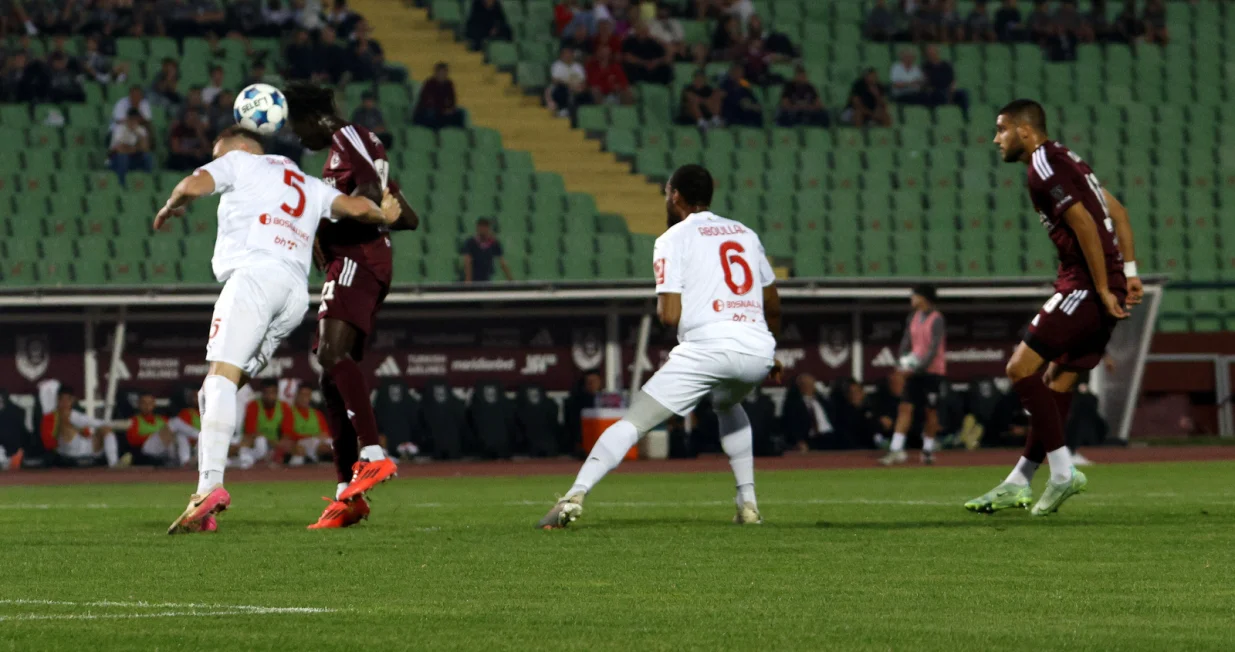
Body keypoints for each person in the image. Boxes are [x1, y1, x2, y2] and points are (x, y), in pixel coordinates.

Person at [157, 126, 401, 535]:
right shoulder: (305, 181)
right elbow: (356, 209)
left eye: (219, 155)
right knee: (219, 388)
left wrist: (173, 202)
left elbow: (193, 184)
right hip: (292, 296)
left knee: (217, 381)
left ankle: (209, 488)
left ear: (238, 149)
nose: (218, 161)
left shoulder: (240, 161)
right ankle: (208, 499)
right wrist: (384, 215)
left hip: (253, 278)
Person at [537, 164, 783, 529]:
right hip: (758, 348)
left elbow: (669, 315)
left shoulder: (672, 239)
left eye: (667, 193)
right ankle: (747, 503)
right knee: (728, 403)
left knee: (634, 421)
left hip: (708, 347)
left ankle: (574, 496)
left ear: (675, 196)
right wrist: (770, 350)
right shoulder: (745, 233)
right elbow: (773, 304)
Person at [966, 99, 1144, 517]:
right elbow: (1117, 212)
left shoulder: (1043, 167)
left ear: (1024, 132)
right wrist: (1129, 273)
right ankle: (1019, 480)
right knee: (1056, 382)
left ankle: (1063, 472)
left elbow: (1084, 222)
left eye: (1001, 130)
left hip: (1083, 284)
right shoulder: (1070, 159)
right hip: (1100, 280)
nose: (996, 140)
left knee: (1018, 369)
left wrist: (1102, 288)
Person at [283, 82, 420, 530]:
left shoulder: (347, 138)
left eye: (295, 126)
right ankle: (347, 494)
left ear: (312, 118)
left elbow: (364, 191)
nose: (297, 137)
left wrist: (324, 218)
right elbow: (406, 214)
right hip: (361, 262)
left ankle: (374, 454)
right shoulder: (355, 145)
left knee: (330, 355)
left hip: (357, 261)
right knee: (331, 375)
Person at [880, 285, 947, 466]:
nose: (912, 299)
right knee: (905, 408)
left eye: (915, 296)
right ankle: (896, 449)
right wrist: (901, 362)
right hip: (914, 371)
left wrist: (918, 367)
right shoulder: (913, 317)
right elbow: (906, 341)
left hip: (932, 373)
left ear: (923, 298)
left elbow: (933, 349)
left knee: (930, 412)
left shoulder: (937, 319)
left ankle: (927, 450)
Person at [40, 386, 124, 468]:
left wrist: (81, 430)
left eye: (68, 399)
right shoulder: (50, 417)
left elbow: (91, 427)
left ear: (72, 400)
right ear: (57, 400)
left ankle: (114, 464)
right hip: (66, 450)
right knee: (65, 422)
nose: (65, 403)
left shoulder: (76, 414)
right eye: (62, 399)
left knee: (106, 429)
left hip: (86, 447)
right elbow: (47, 441)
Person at [127, 391, 192, 467]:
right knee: (175, 422)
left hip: (165, 449)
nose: (147, 406)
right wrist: (155, 435)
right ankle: (201, 435)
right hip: (148, 448)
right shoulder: (135, 420)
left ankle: (185, 462)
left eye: (150, 403)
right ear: (139, 404)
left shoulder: (162, 419)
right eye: (144, 403)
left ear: (154, 404)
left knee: (180, 435)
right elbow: (132, 440)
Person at [281, 385, 333, 467]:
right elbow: (287, 436)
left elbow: (325, 433)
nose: (304, 398)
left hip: (318, 440)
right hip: (301, 442)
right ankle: (325, 459)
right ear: (297, 396)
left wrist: (321, 436)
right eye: (302, 394)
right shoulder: (290, 412)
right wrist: (311, 436)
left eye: (307, 395)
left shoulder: (317, 413)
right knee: (320, 445)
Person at [922, 44, 970, 119]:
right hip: (936, 92)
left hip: (949, 90)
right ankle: (946, 117)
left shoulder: (946, 65)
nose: (932, 55)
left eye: (933, 52)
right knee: (940, 94)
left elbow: (953, 80)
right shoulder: (926, 66)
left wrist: (952, 89)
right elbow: (926, 82)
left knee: (963, 94)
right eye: (930, 53)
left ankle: (965, 116)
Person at [413, 62, 465, 129]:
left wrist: (450, 109)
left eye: (444, 73)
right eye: (440, 73)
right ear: (436, 73)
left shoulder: (449, 84)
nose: (442, 75)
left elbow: (452, 100)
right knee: (431, 114)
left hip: (443, 112)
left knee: (460, 114)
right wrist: (443, 110)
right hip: (430, 111)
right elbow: (427, 103)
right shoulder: (429, 84)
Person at [108, 108, 153, 186]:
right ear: (128, 118)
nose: (133, 121)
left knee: (147, 157)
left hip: (133, 158)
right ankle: (121, 183)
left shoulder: (141, 130)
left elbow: (145, 148)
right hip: (116, 159)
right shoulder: (120, 129)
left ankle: (148, 182)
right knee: (123, 157)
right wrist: (135, 148)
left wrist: (136, 133)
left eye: (135, 119)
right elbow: (119, 149)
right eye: (131, 119)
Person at [460, 217, 513, 283]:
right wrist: (468, 282)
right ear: (477, 228)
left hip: (485, 279)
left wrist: (511, 281)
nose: (483, 229)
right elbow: (467, 261)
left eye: (485, 227)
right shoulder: (470, 242)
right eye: (481, 227)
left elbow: (502, 262)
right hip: (473, 279)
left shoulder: (494, 243)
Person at [622, 20, 672, 85]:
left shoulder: (653, 42)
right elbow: (627, 57)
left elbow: (667, 57)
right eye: (641, 30)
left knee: (666, 69)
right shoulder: (629, 41)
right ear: (637, 30)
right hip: (639, 67)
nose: (644, 32)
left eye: (645, 30)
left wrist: (656, 62)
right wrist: (644, 63)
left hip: (653, 67)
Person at [547, 47, 590, 116]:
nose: (568, 56)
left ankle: (584, 113)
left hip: (577, 88)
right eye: (566, 54)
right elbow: (555, 80)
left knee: (587, 94)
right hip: (563, 88)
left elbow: (583, 81)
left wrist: (580, 87)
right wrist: (569, 85)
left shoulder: (578, 66)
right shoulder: (557, 65)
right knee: (561, 90)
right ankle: (563, 109)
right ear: (561, 55)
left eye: (570, 54)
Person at [720, 63, 762, 127]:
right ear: (731, 72)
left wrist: (751, 105)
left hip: (747, 112)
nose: (737, 74)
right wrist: (740, 101)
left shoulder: (745, 83)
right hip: (732, 113)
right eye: (735, 71)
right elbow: (724, 97)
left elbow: (752, 96)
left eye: (740, 72)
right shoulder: (726, 84)